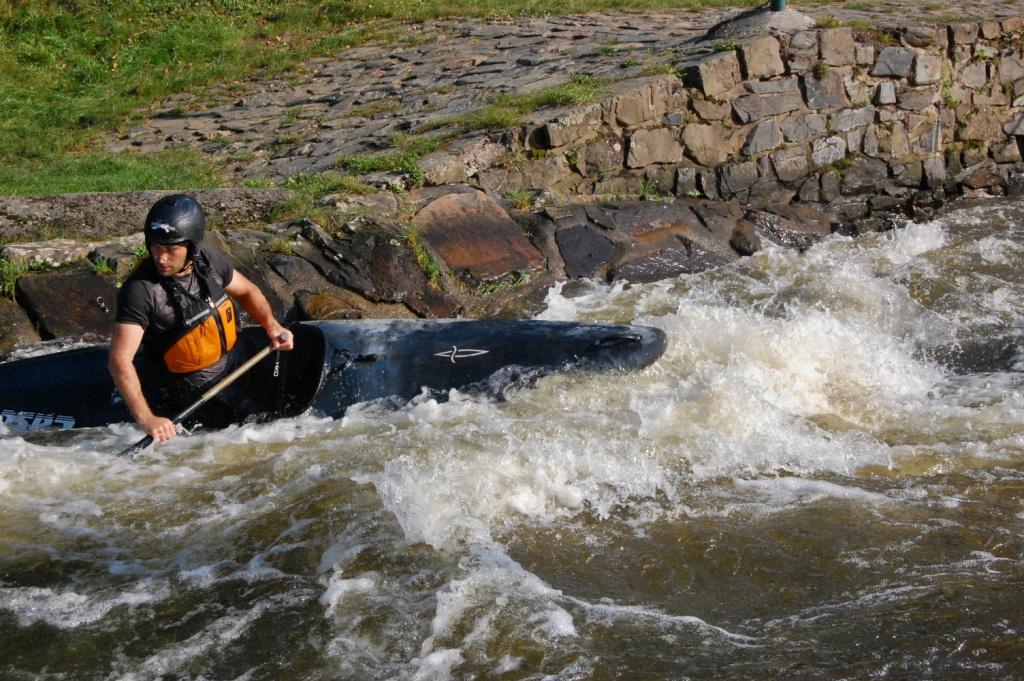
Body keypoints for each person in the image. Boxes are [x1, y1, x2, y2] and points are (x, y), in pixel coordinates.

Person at [108, 194, 294, 443]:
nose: (161, 257)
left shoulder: (206, 260)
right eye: (155, 246)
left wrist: (271, 325)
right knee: (271, 430)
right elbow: (119, 360)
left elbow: (247, 291)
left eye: (171, 249)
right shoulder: (140, 291)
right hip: (192, 393)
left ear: (191, 247)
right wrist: (147, 418)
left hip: (234, 362)